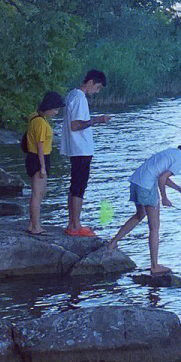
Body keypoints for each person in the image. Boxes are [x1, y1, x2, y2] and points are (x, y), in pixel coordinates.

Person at [107, 141, 181, 274]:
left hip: (136, 181)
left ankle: (112, 243)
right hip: (147, 186)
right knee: (154, 227)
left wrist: (179, 190)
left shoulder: (172, 152)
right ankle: (154, 266)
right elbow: (162, 178)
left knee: (139, 215)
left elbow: (161, 175)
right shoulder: (180, 160)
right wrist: (164, 197)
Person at [61, 69, 110, 237]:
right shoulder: (80, 98)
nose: (96, 92)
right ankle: (76, 225)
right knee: (79, 186)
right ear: (90, 82)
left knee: (75, 185)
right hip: (80, 149)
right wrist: (97, 120)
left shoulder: (72, 95)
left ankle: (72, 223)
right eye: (97, 88)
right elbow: (75, 125)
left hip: (76, 149)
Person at [23, 90, 66, 235]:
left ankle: (32, 223)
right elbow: (40, 145)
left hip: (33, 156)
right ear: (49, 107)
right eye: (55, 109)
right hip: (39, 158)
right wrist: (42, 167)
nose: (56, 112)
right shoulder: (41, 123)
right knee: (37, 193)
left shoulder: (34, 117)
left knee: (39, 193)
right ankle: (35, 226)